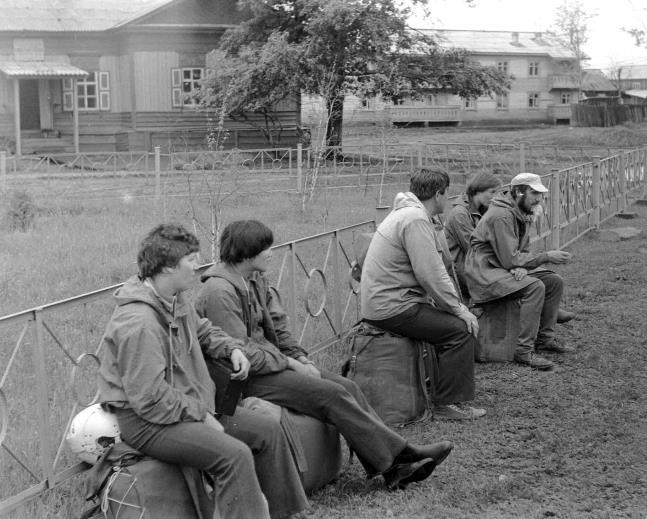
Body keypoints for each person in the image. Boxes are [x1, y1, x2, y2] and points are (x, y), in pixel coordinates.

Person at [196, 220, 454, 491]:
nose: (271, 253)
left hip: (270, 365)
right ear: (247, 253)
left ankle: (395, 465)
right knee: (331, 395)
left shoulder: (253, 279)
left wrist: (300, 357)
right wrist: (291, 364)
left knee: (347, 387)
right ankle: (400, 459)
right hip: (242, 380)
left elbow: (278, 326)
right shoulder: (219, 292)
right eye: (266, 248)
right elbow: (241, 351)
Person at [97, 224, 309, 519]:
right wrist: (201, 415)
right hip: (148, 422)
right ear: (168, 267)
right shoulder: (139, 323)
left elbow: (203, 330)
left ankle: (285, 511)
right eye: (191, 259)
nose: (198, 265)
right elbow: (149, 399)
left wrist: (231, 349)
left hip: (187, 403)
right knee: (234, 455)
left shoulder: (173, 297)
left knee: (266, 430)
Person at [359, 167, 486, 421]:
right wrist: (459, 309)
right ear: (438, 194)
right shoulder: (415, 219)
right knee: (460, 330)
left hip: (388, 302)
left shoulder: (408, 213)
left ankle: (435, 387)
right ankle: (446, 404)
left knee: (449, 321)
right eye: (447, 193)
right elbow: (430, 273)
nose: (448, 199)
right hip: (392, 307)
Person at [465, 173, 575, 371]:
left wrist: (522, 267)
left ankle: (545, 340)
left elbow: (520, 252)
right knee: (535, 287)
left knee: (554, 281)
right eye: (534, 193)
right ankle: (523, 351)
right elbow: (510, 258)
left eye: (540, 194)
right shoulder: (502, 215)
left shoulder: (521, 212)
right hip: (484, 274)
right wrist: (546, 256)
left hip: (501, 267)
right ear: (518, 192)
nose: (538, 199)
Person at [444, 172, 502, 300]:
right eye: (492, 192)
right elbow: (475, 248)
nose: (495, 197)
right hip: (462, 272)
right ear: (479, 189)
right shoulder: (459, 214)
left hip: (476, 268)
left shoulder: (482, 209)